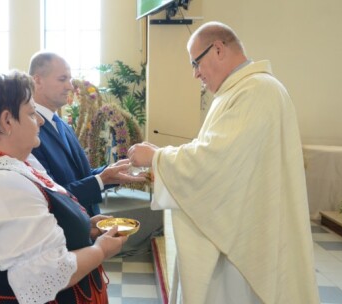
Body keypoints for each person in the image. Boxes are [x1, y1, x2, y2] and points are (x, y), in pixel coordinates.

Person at [128, 21, 319, 304]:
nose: (195, 74)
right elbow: (217, 152)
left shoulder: (256, 91)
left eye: (196, 62)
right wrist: (164, 156)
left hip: (244, 246)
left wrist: (157, 158)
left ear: (218, 49)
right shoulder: (240, 90)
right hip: (236, 226)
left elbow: (215, 164)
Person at [0, 71, 127, 304]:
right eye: (31, 113)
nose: (39, 120)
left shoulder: (17, 164)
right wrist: (101, 251)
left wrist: (82, 229)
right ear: (7, 121)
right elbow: (43, 274)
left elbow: (41, 224)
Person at [29, 52, 145, 216]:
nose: (70, 86)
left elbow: (81, 176)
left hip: (87, 224)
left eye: (69, 79)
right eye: (62, 79)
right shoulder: (29, 130)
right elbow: (50, 196)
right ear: (37, 80)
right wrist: (100, 180)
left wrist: (113, 172)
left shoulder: (62, 124)